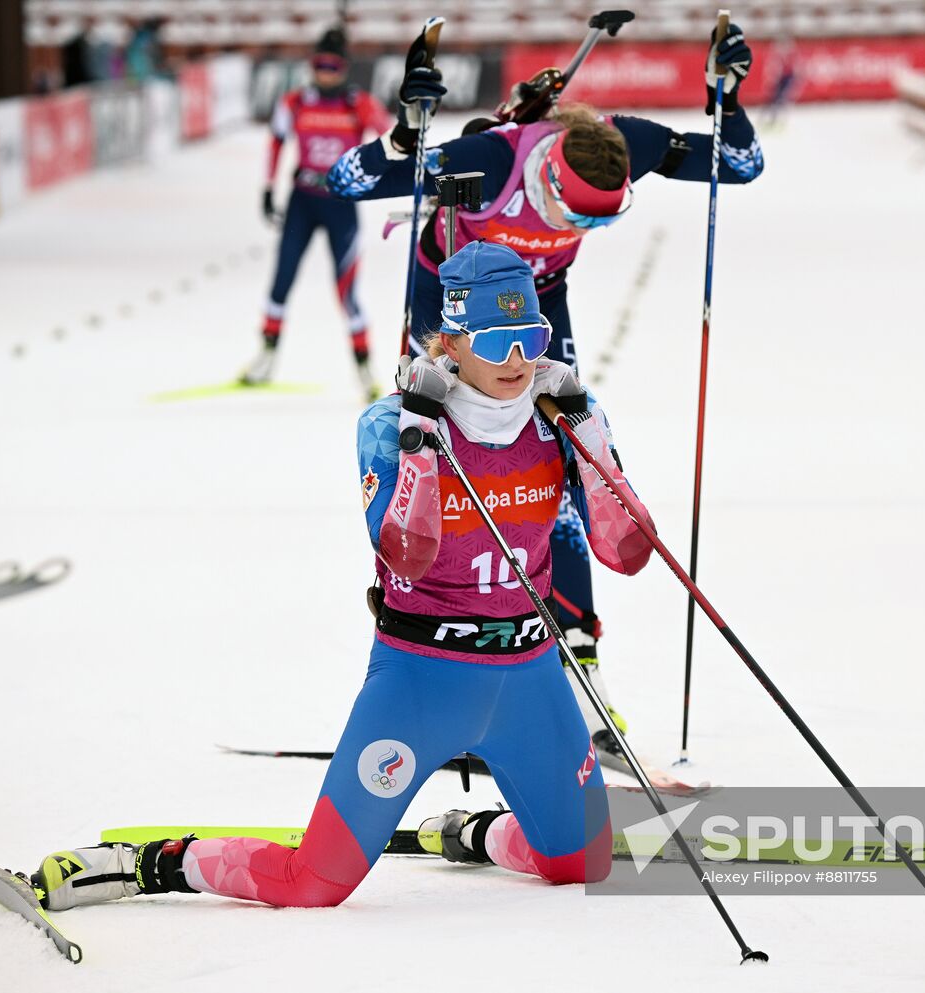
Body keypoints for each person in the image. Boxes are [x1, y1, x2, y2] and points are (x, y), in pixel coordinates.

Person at [30, 242, 655, 911]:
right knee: (315, 884)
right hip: (421, 679)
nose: (517, 361)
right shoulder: (389, 423)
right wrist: (420, 429)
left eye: (530, 337)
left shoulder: (561, 419)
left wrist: (588, 433)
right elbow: (407, 553)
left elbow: (627, 553)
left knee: (577, 861)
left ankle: (476, 833)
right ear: (452, 339)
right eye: (497, 340)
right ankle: (148, 865)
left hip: (532, 677)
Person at [326, 19, 760, 755]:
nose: (577, 223)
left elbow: (739, 163)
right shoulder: (493, 161)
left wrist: (729, 93)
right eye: (570, 213)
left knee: (561, 476)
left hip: (536, 310)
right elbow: (347, 180)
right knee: (450, 480)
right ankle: (448, 665)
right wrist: (406, 136)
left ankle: (576, 665)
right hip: (449, 314)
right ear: (550, 177)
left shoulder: (628, 141)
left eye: (599, 218)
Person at [242, 27, 392, 399]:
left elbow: (391, 138)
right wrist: (267, 188)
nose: (326, 72)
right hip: (303, 201)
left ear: (344, 68)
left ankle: (364, 369)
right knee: (282, 278)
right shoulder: (295, 102)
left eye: (333, 65)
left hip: (340, 204)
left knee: (346, 291)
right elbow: (276, 142)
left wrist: (377, 178)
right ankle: (266, 356)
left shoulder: (358, 102)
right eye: (319, 64)